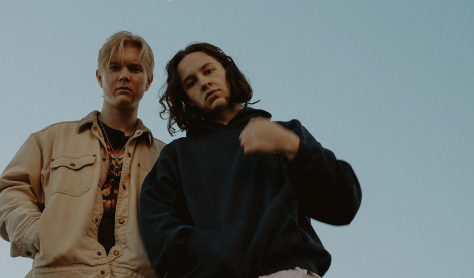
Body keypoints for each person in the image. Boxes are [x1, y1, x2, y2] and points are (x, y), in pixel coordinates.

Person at [139, 42, 362, 278]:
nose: (204, 82)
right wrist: (218, 253)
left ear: (228, 72)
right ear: (187, 98)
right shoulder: (176, 157)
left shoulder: (284, 134)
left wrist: (292, 146)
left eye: (209, 71)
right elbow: (160, 237)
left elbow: (344, 204)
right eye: (191, 82)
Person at [0, 31, 165, 278]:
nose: (124, 75)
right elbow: (9, 190)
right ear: (100, 77)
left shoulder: (164, 157)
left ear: (148, 81)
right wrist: (35, 233)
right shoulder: (51, 139)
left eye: (135, 69)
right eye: (114, 67)